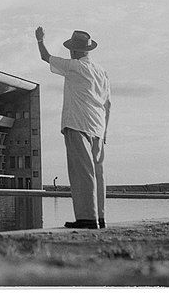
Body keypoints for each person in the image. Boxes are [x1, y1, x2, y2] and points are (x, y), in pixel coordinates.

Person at [35, 27, 111, 229]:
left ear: (74, 51)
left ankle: (87, 218)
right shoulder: (102, 72)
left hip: (78, 122)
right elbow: (108, 104)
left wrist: (40, 40)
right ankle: (99, 217)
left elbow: (46, 57)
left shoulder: (74, 66)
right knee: (97, 172)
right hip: (98, 126)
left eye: (70, 48)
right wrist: (105, 133)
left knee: (82, 172)